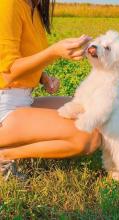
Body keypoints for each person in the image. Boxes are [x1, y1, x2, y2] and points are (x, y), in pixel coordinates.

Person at [0, 0, 101, 180]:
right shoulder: (9, 4)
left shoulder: (33, 7)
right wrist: (53, 52)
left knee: (92, 111)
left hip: (21, 98)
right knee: (89, 136)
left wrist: (43, 78)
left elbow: (23, 55)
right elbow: (7, 70)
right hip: (4, 103)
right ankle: (6, 155)